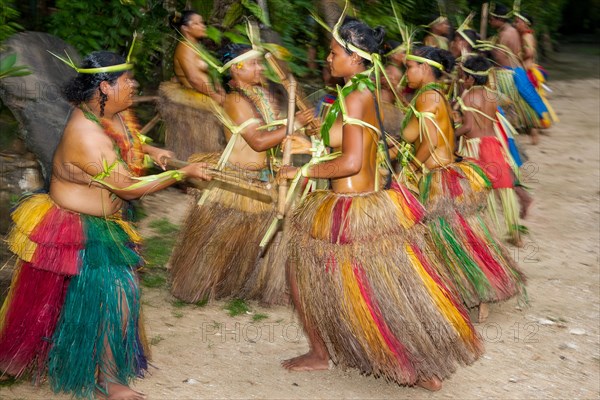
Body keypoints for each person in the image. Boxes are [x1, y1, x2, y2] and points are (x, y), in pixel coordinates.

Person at [278, 18, 482, 391]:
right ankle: (415, 368)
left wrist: (302, 172)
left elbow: (352, 162)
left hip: (353, 206)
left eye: (335, 52)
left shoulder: (357, 96)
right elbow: (343, 141)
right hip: (355, 203)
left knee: (359, 285)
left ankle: (336, 355)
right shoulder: (353, 93)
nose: (328, 57)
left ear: (356, 59)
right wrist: (309, 138)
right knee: (367, 285)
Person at [0, 51, 211, 399]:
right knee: (117, 295)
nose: (134, 84)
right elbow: (128, 189)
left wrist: (154, 150)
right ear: (103, 87)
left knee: (97, 298)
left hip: (101, 223)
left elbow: (130, 142)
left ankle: (95, 369)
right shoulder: (86, 135)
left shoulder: (109, 115)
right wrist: (180, 173)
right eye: (126, 80)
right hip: (76, 229)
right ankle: (109, 383)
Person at [169, 43, 313, 305]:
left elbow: (273, 133)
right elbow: (258, 141)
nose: (260, 68)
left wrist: (300, 135)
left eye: (260, 62)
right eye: (255, 63)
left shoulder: (256, 95)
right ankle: (200, 284)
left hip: (259, 180)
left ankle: (241, 284)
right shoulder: (236, 100)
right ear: (237, 68)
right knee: (217, 245)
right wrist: (295, 123)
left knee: (252, 240)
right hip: (235, 181)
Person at [401, 46, 526, 321]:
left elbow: (431, 140)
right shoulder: (434, 95)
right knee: (461, 237)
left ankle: (474, 292)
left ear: (424, 68)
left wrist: (410, 168)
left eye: (409, 66)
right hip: (448, 173)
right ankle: (470, 292)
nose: (405, 72)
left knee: (451, 237)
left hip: (439, 178)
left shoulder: (429, 97)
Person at [455, 55, 532, 245]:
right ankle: (515, 232)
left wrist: (449, 133)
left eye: (464, 76)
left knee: (476, 192)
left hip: (475, 148)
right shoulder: (491, 95)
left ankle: (481, 236)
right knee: (503, 189)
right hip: (494, 144)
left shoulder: (469, 96)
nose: (462, 80)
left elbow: (468, 127)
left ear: (471, 79)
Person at [158, 9, 226, 159]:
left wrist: (219, 90)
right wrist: (215, 96)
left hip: (205, 94)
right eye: (196, 23)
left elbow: (210, 72)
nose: (202, 26)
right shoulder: (185, 47)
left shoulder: (196, 47)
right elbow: (194, 79)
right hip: (196, 98)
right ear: (185, 28)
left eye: (202, 22)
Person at [488, 3, 550, 144]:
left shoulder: (506, 33)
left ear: (498, 19)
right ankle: (531, 130)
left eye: (491, 19)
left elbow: (499, 55)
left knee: (512, 104)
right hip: (515, 71)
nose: (490, 22)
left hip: (507, 73)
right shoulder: (511, 30)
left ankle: (509, 135)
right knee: (521, 103)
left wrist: (489, 50)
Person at [513, 11, 558, 125]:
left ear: (525, 24)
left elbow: (529, 53)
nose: (515, 24)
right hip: (529, 70)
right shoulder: (526, 35)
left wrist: (517, 56)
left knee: (528, 97)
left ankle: (538, 121)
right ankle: (536, 120)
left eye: (517, 22)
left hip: (529, 72)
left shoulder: (527, 36)